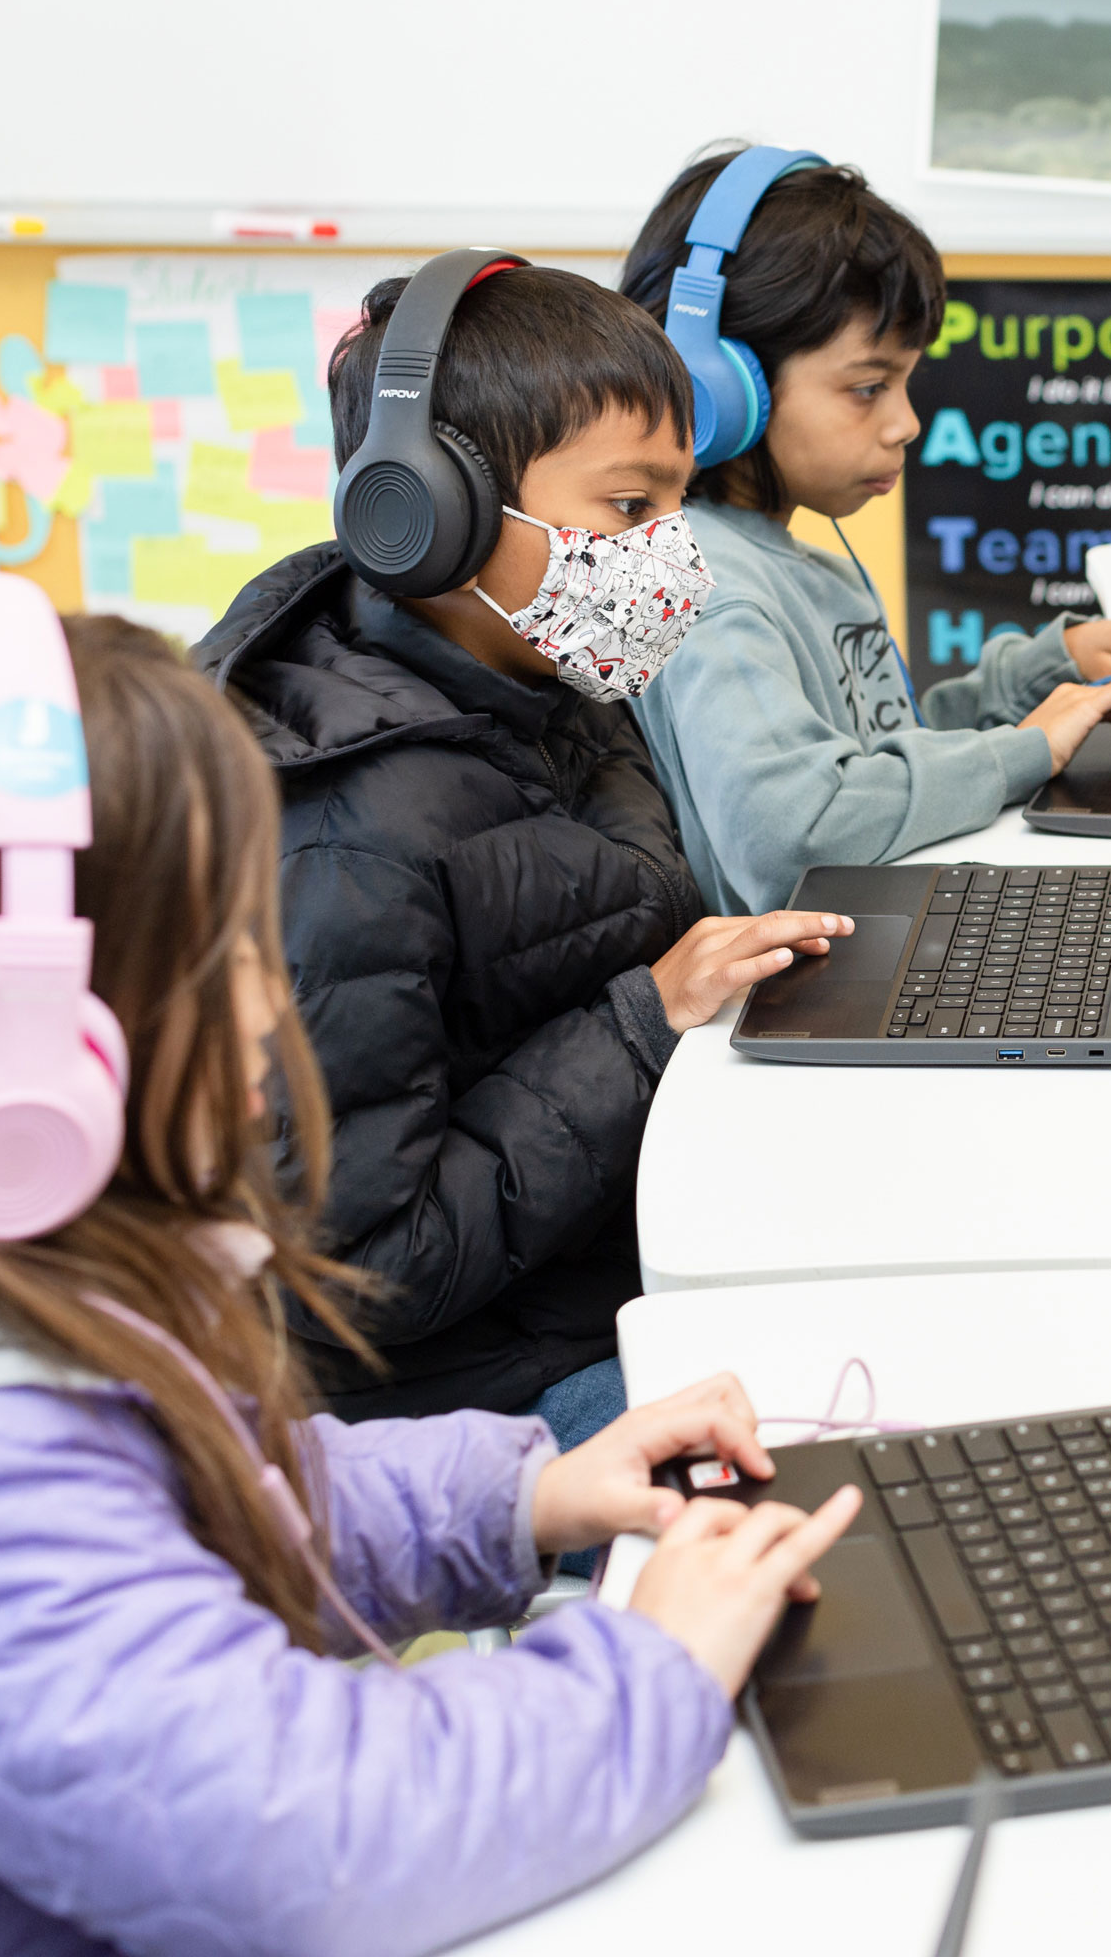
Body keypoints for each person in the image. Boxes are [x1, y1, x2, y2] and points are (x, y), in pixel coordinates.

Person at [0, 583, 861, 1955]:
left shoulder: (14, 1283)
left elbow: (222, 1497)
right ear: (18, 1058)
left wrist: (523, 1497)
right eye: (224, 954)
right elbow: (322, 1839)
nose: (274, 999)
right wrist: (658, 1663)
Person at [198, 261, 844, 1431]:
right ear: (427, 512)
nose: (670, 560)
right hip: (471, 1391)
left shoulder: (547, 684)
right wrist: (644, 1019)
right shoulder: (347, 840)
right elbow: (371, 1270)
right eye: (630, 509)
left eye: (676, 507)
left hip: (613, 1254)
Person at [617, 150, 1111, 916]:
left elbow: (872, 764)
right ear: (715, 384)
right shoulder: (709, 593)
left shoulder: (794, 566)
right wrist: (1026, 749)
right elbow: (797, 836)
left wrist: (1044, 676)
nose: (906, 424)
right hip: (785, 996)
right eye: (868, 388)